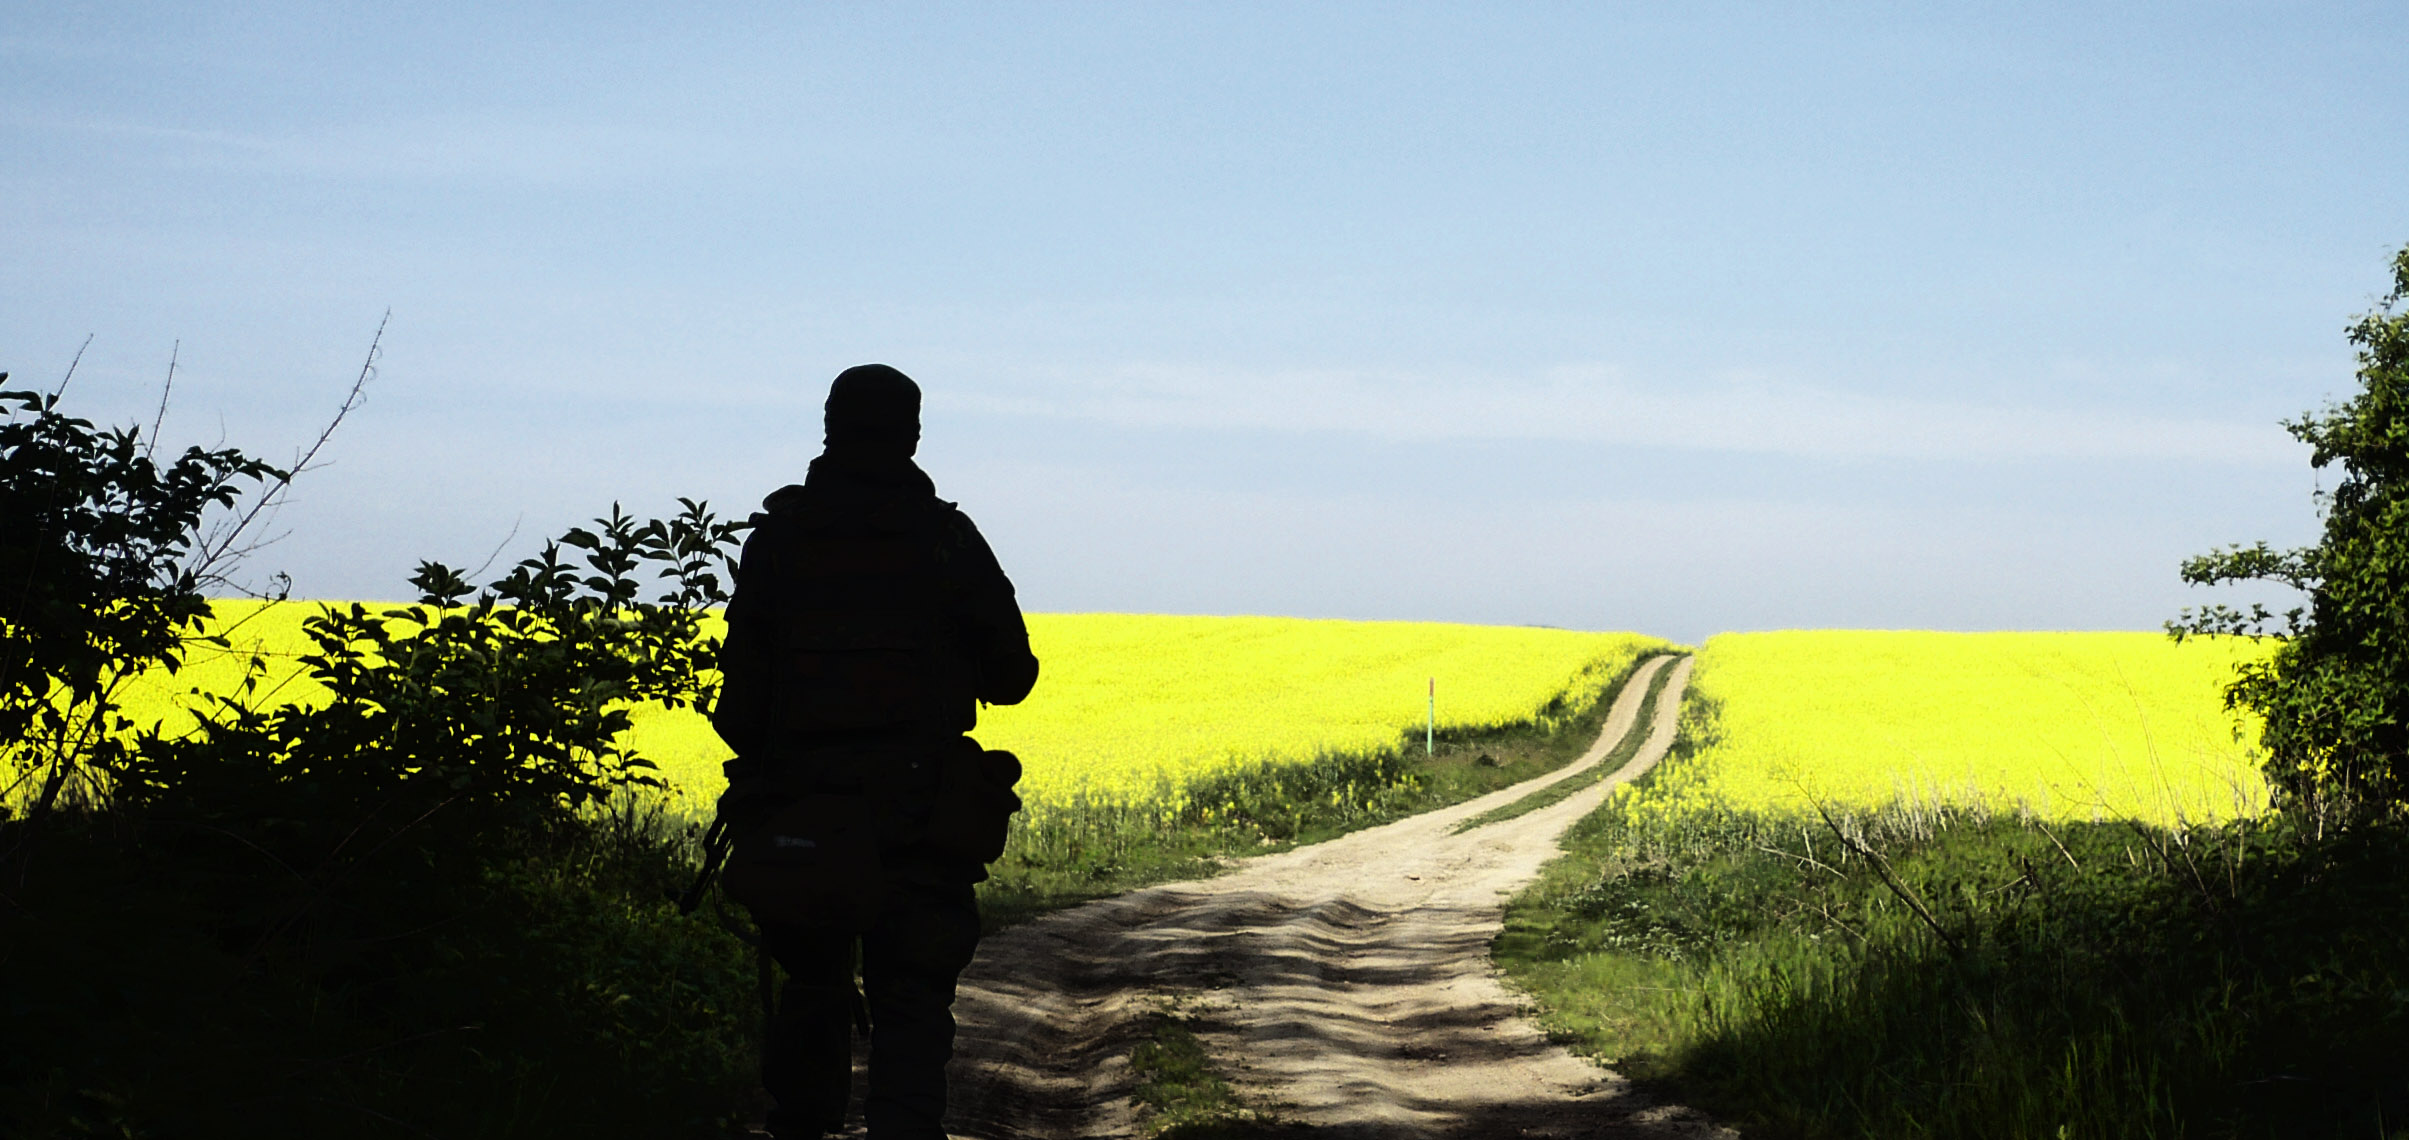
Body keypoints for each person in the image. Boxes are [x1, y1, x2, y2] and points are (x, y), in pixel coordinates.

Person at [711, 363, 1040, 1140]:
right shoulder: (946, 540)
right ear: (914, 433)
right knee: (912, 994)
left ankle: (802, 1125)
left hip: (801, 809)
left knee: (811, 983)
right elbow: (1014, 676)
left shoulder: (781, 538)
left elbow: (739, 704)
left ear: (827, 427)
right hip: (918, 810)